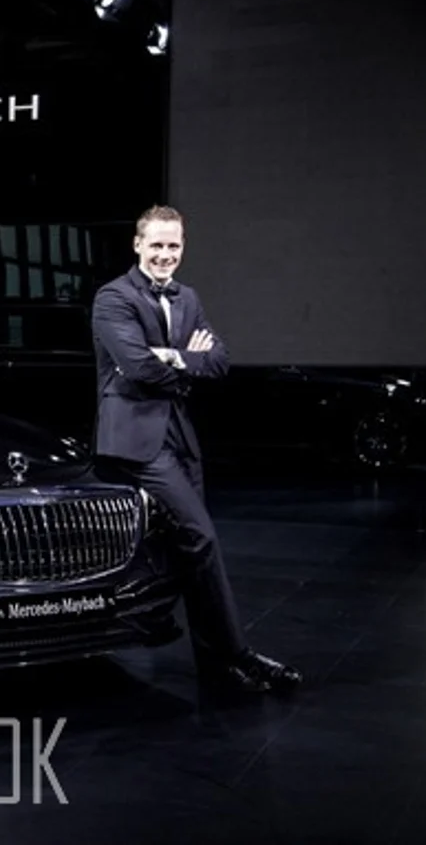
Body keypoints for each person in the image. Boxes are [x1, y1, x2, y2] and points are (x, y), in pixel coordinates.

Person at [90, 204, 302, 696]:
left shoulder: (188, 297)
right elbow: (138, 367)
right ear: (138, 245)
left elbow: (221, 361)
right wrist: (188, 361)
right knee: (201, 538)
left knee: (193, 550)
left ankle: (218, 666)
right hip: (135, 441)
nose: (165, 254)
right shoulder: (113, 297)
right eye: (157, 245)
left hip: (180, 436)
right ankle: (238, 655)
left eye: (174, 245)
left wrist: (172, 356)